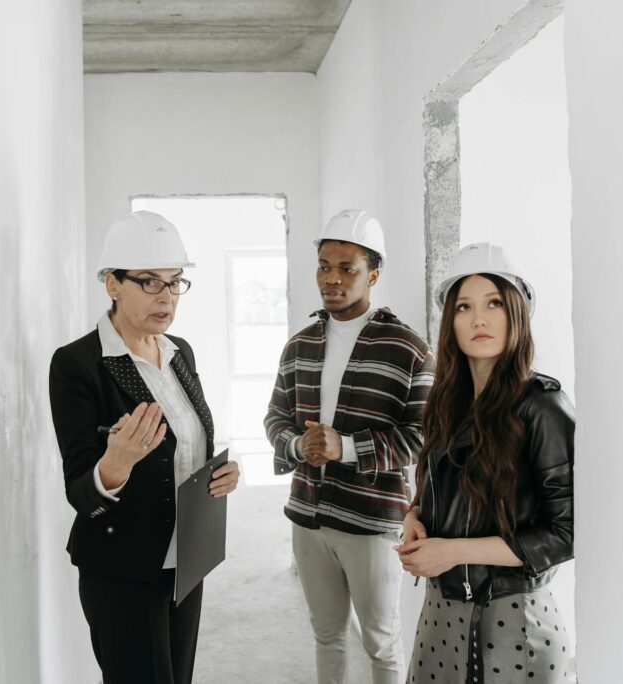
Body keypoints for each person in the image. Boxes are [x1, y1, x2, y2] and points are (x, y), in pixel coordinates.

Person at [48, 210, 240, 684]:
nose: (167, 297)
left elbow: (188, 444)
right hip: (123, 569)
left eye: (175, 283)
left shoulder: (180, 352)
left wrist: (219, 474)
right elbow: (80, 492)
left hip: (186, 559)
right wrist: (115, 465)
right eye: (150, 282)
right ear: (112, 284)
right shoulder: (78, 364)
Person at [265, 209, 435, 684]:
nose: (332, 279)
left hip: (372, 521)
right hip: (308, 516)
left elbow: (422, 437)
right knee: (326, 636)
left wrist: (346, 448)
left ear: (373, 274)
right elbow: (275, 417)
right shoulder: (299, 345)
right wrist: (299, 446)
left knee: (381, 642)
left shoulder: (408, 349)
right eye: (324, 266)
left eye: (347, 268)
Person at [397, 242, 575, 684]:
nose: (479, 318)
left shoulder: (543, 406)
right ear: (450, 322)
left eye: (494, 303)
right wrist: (415, 516)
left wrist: (453, 552)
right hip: (440, 617)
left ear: (517, 312)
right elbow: (439, 487)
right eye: (464, 306)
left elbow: (566, 533)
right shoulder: (445, 403)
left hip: (515, 621)